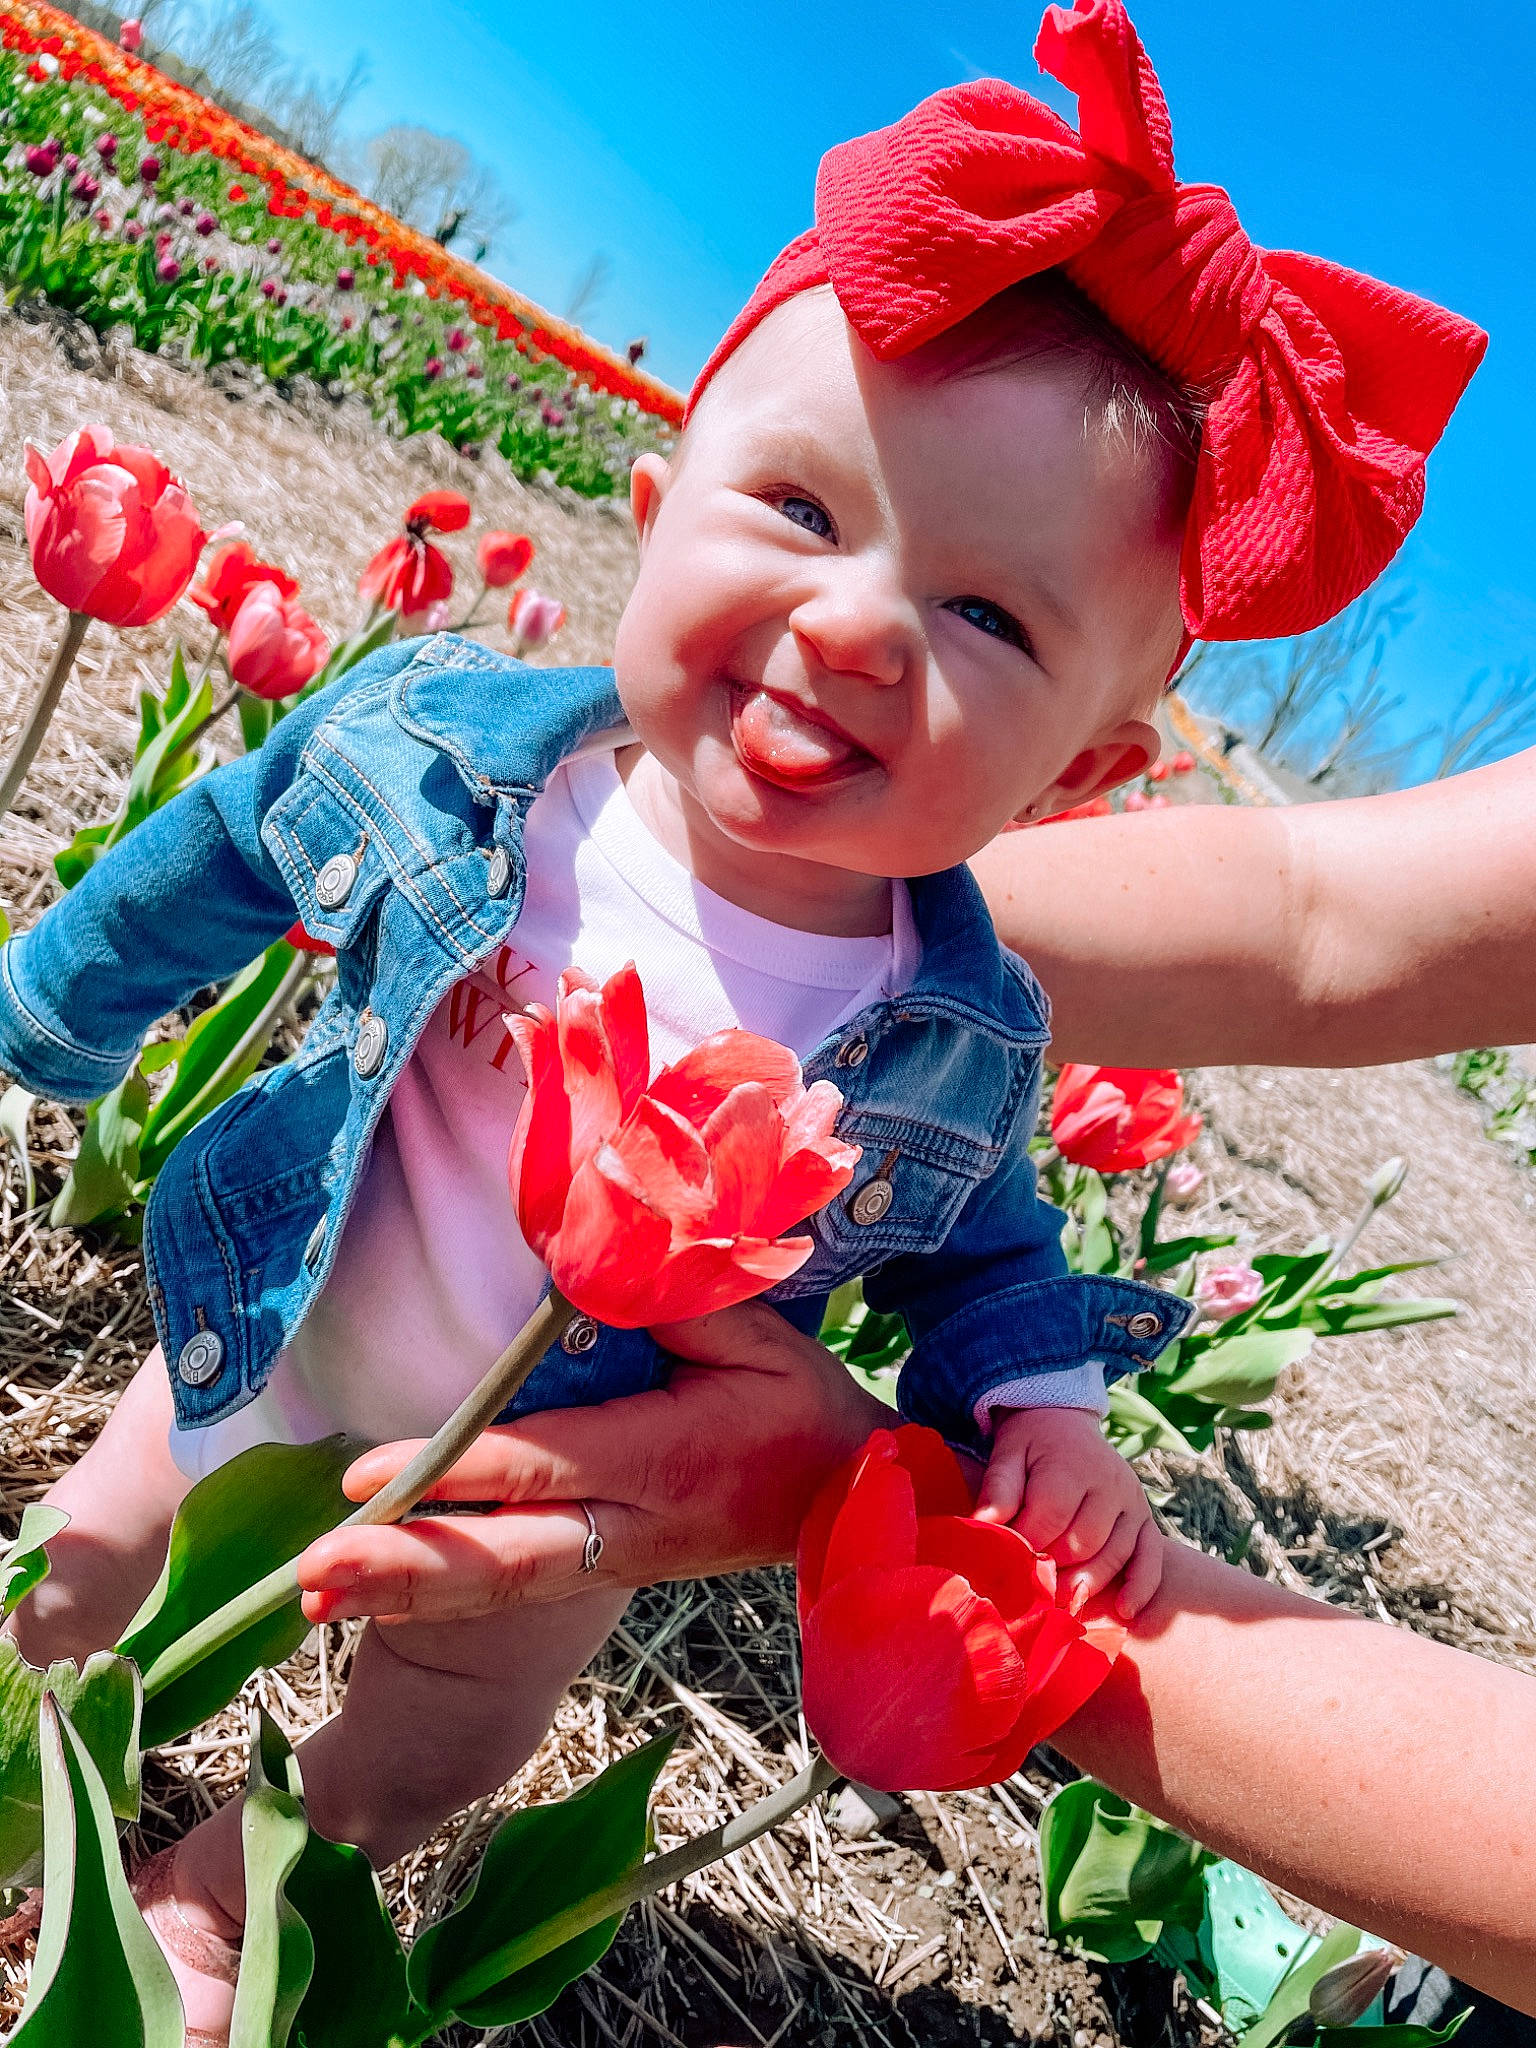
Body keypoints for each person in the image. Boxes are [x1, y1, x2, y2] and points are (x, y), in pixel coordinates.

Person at [0, 3, 1485, 2039]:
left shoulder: (941, 1032)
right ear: (653, 492)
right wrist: (61, 1005)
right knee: (75, 1588)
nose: (861, 622)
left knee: (432, 1748)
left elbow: (988, 1249)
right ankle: (30, 1796)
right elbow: (234, 843)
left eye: (989, 619)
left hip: (549, 1483)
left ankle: (230, 1893)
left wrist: (1041, 1413)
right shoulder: (459, 759)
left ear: (1081, 779)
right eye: (801, 510)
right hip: (264, 1317)